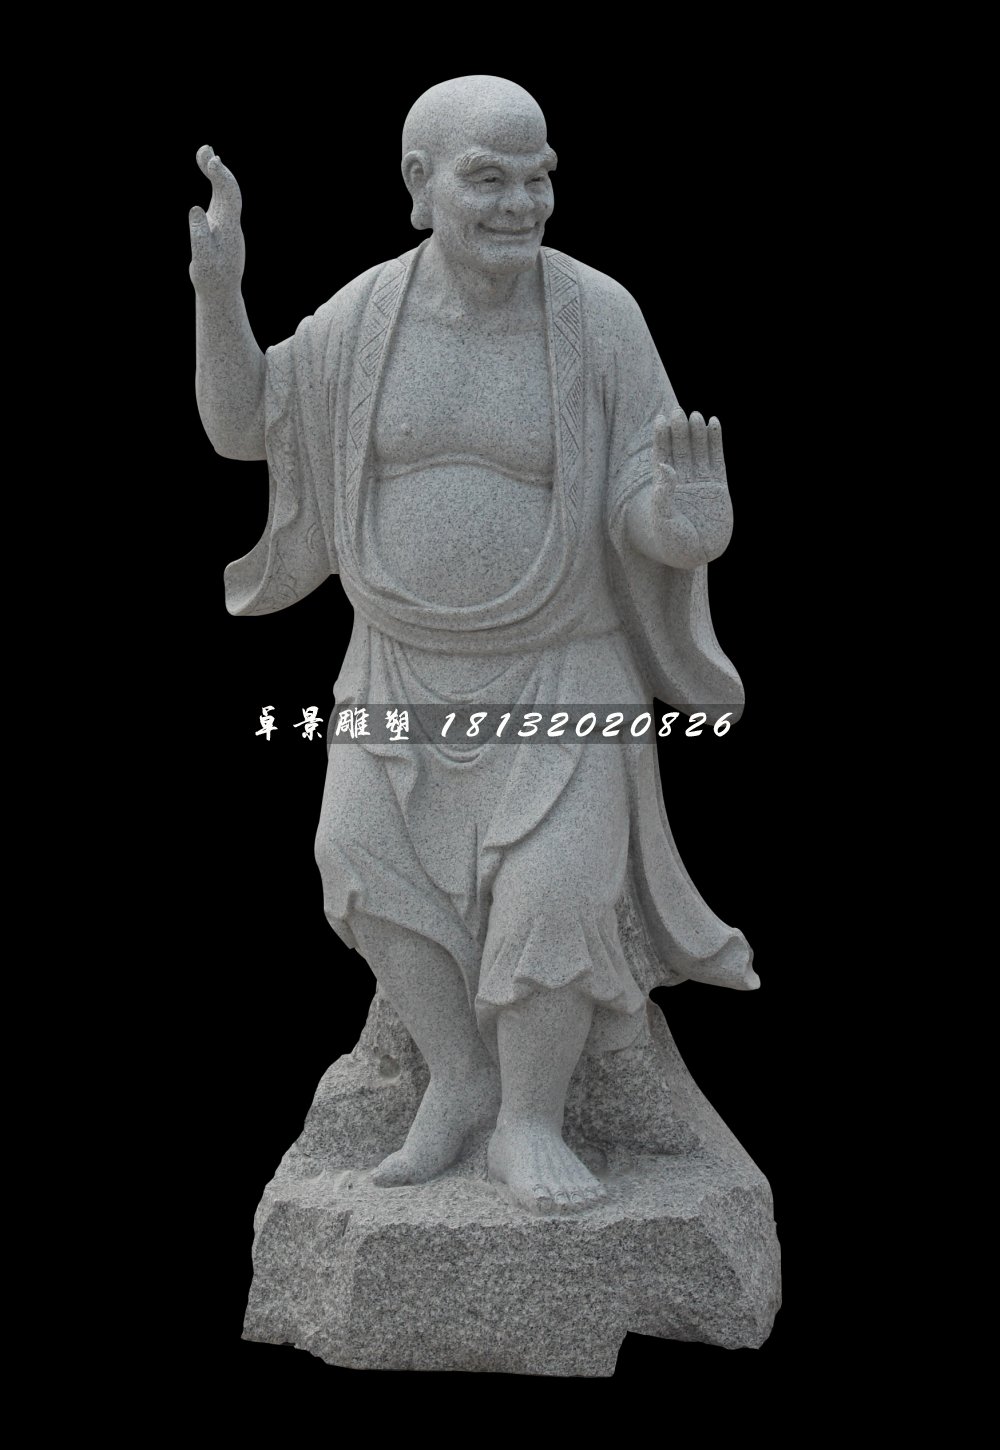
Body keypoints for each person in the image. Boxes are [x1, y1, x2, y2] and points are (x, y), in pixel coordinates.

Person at [190, 75, 758, 1215]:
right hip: (397, 664)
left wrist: (685, 525)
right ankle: (456, 1079)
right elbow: (246, 426)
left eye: (538, 177)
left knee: (556, 894)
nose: (520, 203)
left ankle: (530, 1120)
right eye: (488, 178)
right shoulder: (367, 316)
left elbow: (645, 491)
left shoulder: (598, 315)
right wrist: (219, 292)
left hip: (560, 665)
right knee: (357, 859)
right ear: (420, 185)